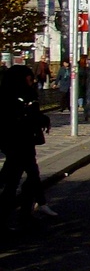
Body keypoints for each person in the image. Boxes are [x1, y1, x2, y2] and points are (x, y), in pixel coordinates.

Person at [0, 64, 54, 228]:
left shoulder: (28, 93)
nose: (32, 81)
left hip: (25, 141)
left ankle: (24, 213)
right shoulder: (8, 96)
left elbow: (34, 114)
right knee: (21, 178)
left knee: (22, 178)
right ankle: (18, 215)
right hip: (15, 142)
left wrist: (42, 119)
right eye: (29, 78)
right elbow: (16, 119)